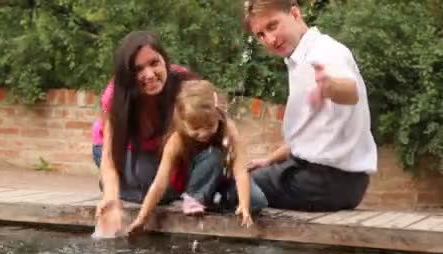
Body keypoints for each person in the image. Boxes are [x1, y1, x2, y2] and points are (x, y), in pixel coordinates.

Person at [242, 0, 378, 212]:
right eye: (260, 35)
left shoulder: (325, 52)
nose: (270, 39)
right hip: (334, 181)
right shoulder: (299, 59)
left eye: (272, 26)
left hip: (324, 182)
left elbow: (351, 92)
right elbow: (308, 139)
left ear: (295, 13)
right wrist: (269, 160)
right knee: (243, 181)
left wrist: (331, 86)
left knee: (234, 187)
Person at [92, 31, 225, 238]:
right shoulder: (115, 96)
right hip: (121, 152)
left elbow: (211, 129)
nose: (149, 74)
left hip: (162, 154)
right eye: (138, 69)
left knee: (181, 176)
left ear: (165, 60)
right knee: (156, 187)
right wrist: (111, 198)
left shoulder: (184, 85)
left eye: (154, 63)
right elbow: (110, 157)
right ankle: (123, 187)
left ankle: (141, 188)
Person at [126, 80, 269, 233]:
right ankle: (194, 198)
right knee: (214, 154)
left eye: (209, 126)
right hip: (197, 179)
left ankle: (221, 202)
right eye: (195, 129)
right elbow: (159, 182)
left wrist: (244, 206)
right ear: (182, 122)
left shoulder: (228, 130)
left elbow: (241, 172)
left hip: (225, 178)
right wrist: (142, 218)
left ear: (217, 115)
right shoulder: (177, 140)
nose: (203, 133)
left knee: (257, 202)